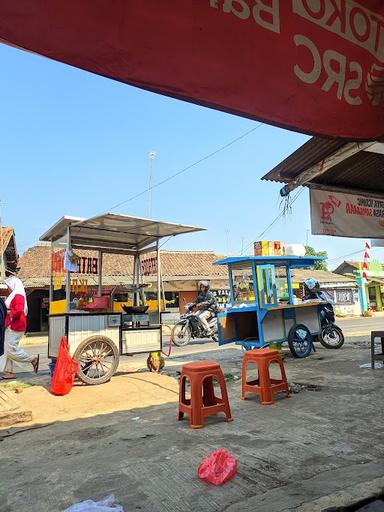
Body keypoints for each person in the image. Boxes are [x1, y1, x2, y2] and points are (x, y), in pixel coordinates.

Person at [0, 276, 39, 380]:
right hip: (13, 325)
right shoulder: (16, 295)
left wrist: (9, 313)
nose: (8, 288)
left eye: (9, 286)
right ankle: (8, 372)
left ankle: (32, 359)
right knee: (7, 348)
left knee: (8, 349)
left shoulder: (18, 295)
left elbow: (19, 310)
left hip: (15, 325)